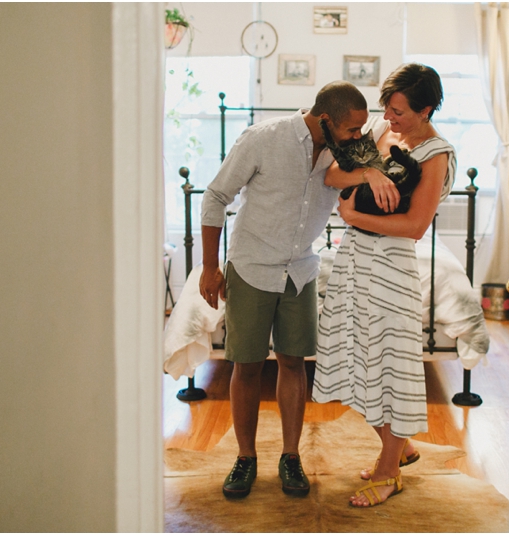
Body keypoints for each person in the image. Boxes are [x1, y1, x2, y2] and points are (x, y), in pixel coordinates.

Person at [199, 81, 368, 499]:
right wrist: (207, 266)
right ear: (326, 120)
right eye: (352, 129)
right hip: (252, 266)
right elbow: (216, 196)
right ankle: (245, 458)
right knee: (247, 364)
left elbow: (383, 164)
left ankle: (291, 457)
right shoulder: (263, 139)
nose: (358, 138)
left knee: (294, 362)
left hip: (301, 271)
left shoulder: (344, 152)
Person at [312, 63, 456, 507]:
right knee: (353, 357)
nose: (388, 118)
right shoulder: (377, 130)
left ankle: (389, 470)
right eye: (387, 109)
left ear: (425, 109)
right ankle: (403, 447)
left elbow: (414, 226)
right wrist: (370, 174)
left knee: (389, 362)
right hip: (355, 258)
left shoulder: (436, 154)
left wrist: (354, 217)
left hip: (392, 264)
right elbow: (331, 175)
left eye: (398, 111)